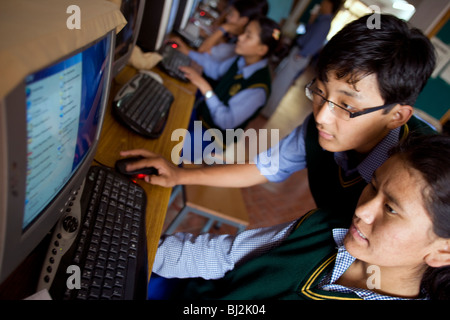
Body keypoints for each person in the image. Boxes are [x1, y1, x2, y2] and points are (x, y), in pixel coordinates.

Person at [121, 14, 436, 215]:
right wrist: (178, 175)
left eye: (347, 106)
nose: (322, 116)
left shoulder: (425, 178)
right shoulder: (318, 128)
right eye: (321, 91)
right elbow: (265, 167)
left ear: (397, 116)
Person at [149, 134, 450, 300]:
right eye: (373, 186)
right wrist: (138, 253)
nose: (361, 210)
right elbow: (224, 255)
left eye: (391, 209)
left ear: (442, 251)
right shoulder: (325, 227)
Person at [175, 16, 281, 161]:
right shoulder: (241, 59)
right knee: (168, 114)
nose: (240, 37)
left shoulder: (258, 89)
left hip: (214, 138)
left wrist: (205, 88)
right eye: (244, 32)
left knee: (172, 146)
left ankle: (176, 178)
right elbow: (215, 69)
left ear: (262, 49)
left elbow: (225, 122)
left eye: (248, 36)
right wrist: (188, 52)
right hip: (203, 117)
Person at [261, 0, 342, 118]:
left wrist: (302, 54)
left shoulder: (325, 23)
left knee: (282, 82)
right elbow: (309, 32)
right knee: (281, 79)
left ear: (330, 5)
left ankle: (267, 110)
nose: (321, 5)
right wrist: (312, 20)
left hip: (300, 54)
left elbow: (315, 42)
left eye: (324, 3)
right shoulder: (321, 19)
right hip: (300, 52)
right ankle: (266, 107)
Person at [196, 0, 269, 62]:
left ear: (243, 20)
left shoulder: (239, 42)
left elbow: (203, 50)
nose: (241, 37)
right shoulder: (234, 33)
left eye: (231, 13)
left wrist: (224, 28)